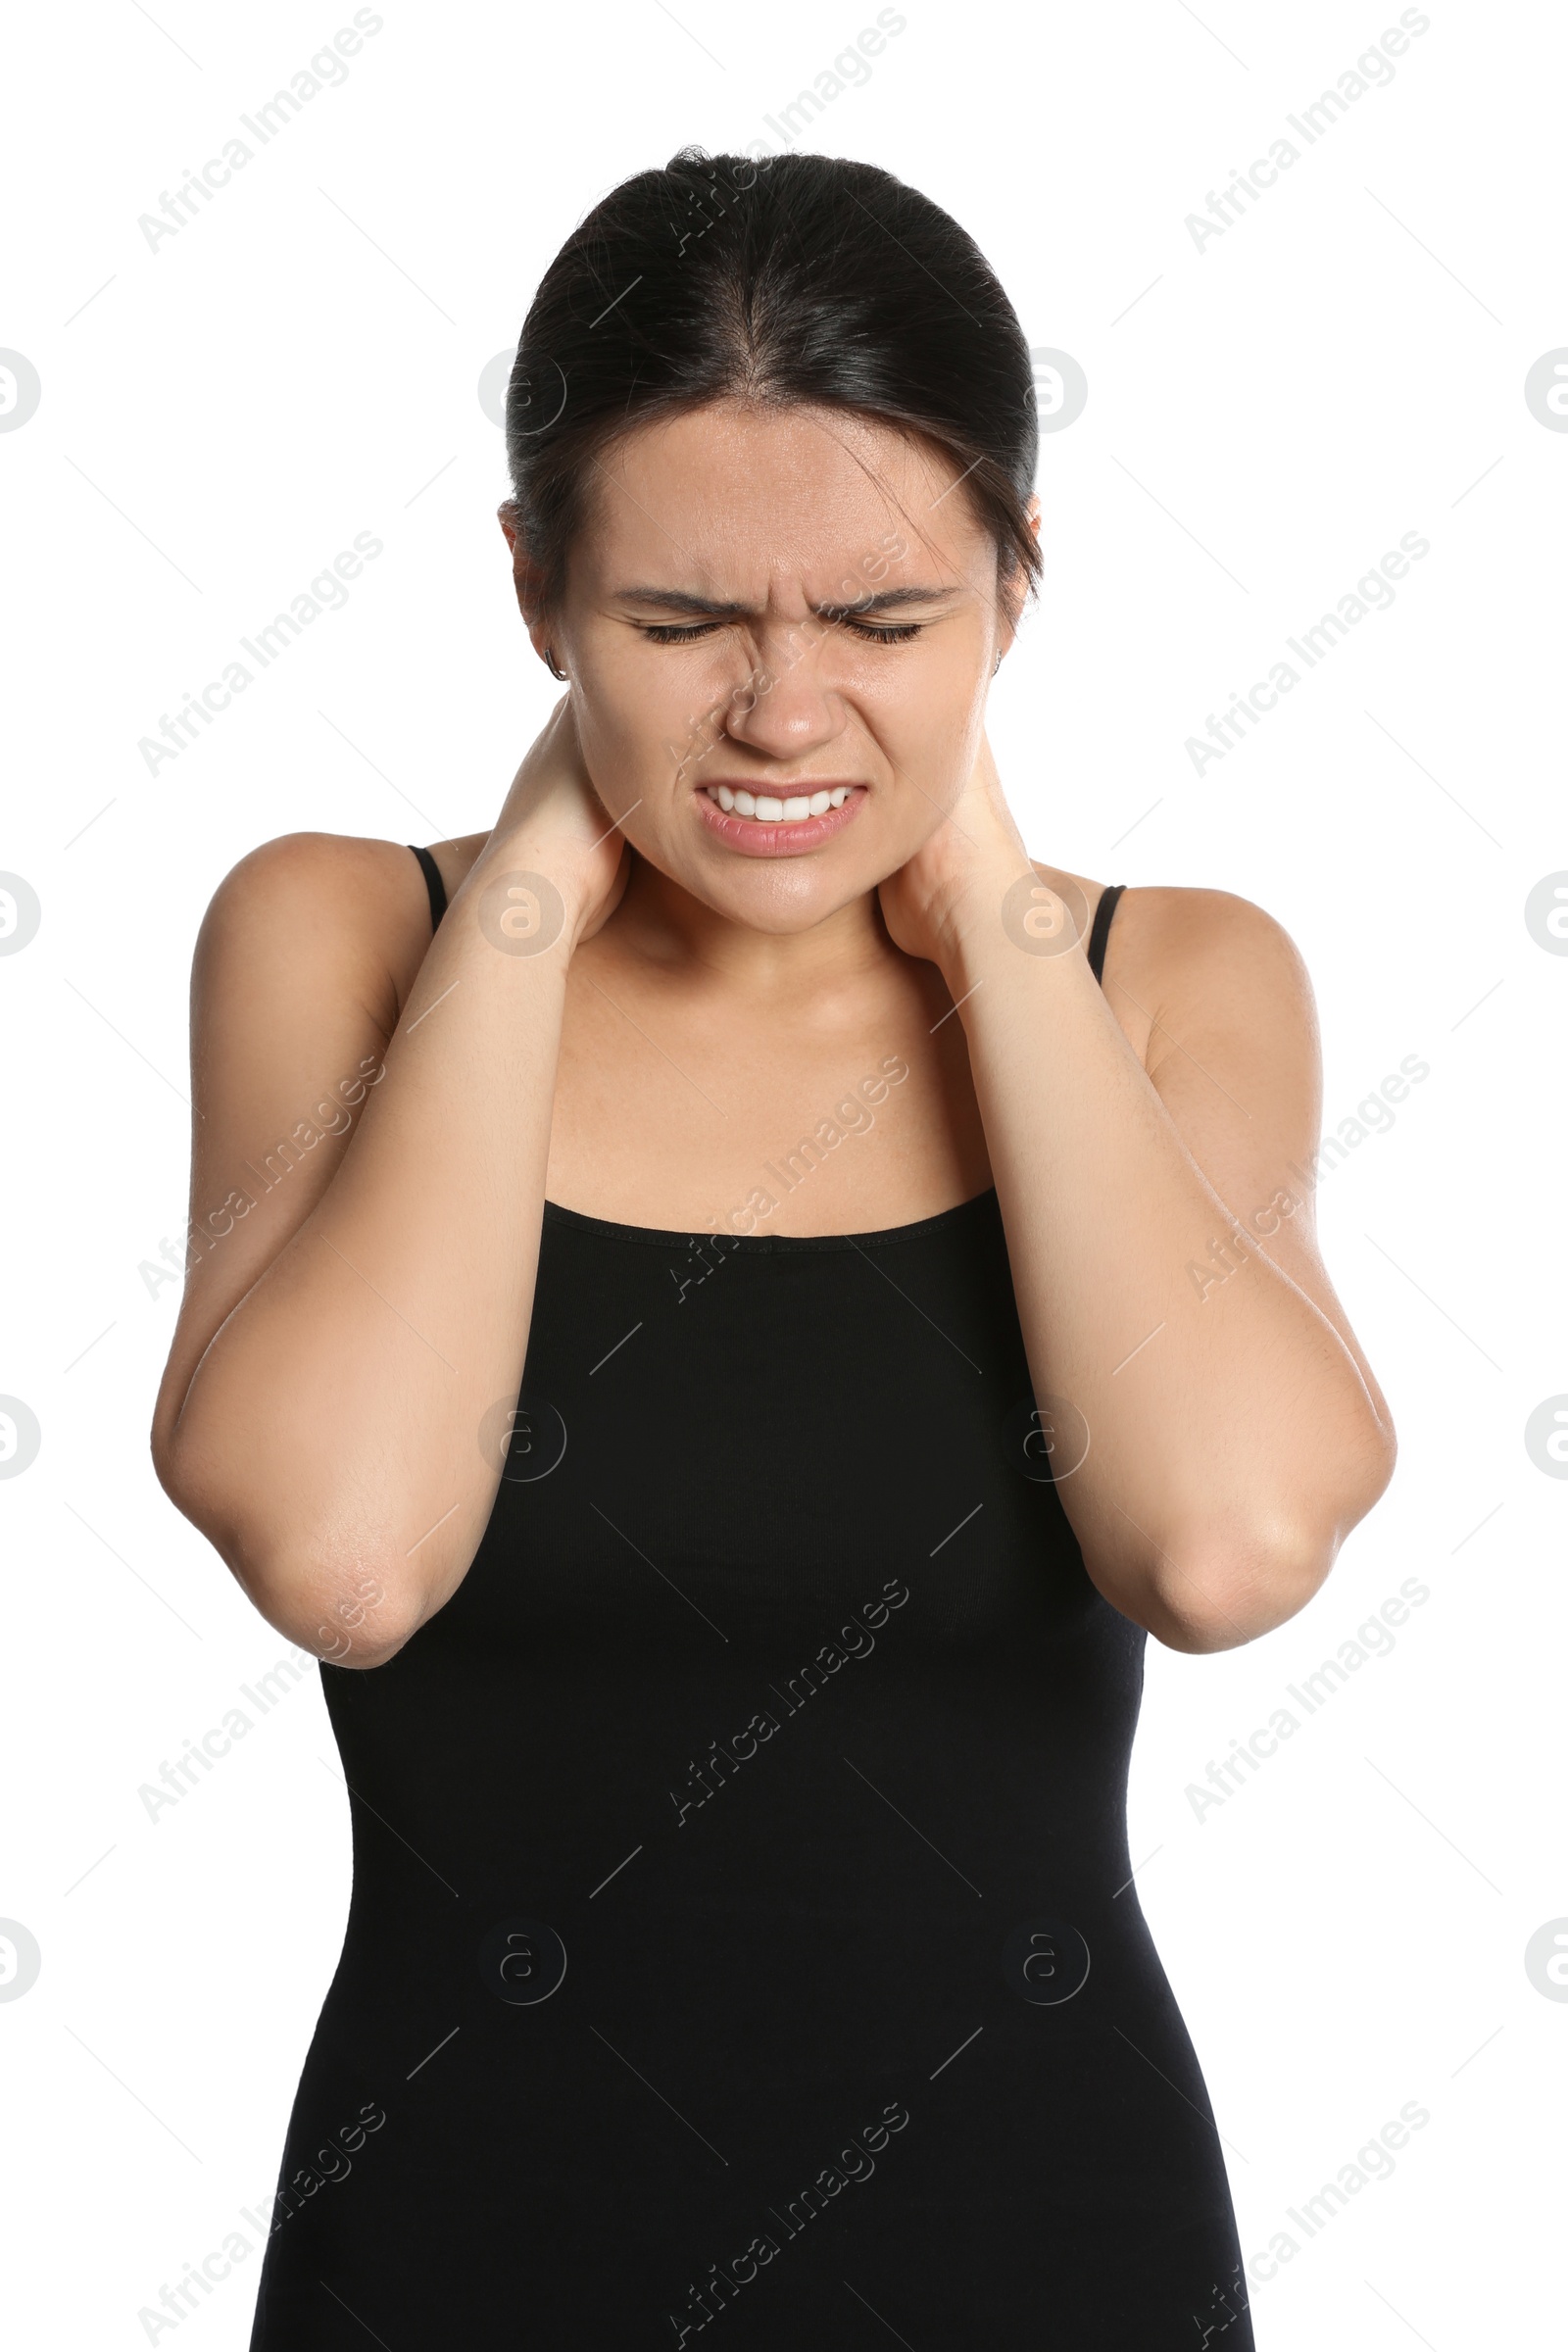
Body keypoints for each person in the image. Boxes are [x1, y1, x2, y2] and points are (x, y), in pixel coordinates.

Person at [152, 148, 1394, 2349]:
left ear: (1019, 580)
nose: (782, 715)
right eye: (679, 623)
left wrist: (991, 916)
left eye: (886, 620)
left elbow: (1215, 1554)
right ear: (533, 590)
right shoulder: (343, 935)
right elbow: (346, 1559)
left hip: (1048, 2256)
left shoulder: (1169, 981)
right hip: (460, 2258)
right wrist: (534, 883)